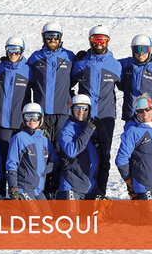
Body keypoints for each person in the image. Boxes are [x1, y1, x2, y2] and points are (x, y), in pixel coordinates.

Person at [71, 25, 122, 197]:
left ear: (107, 41)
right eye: (95, 39)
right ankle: (84, 191)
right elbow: (65, 84)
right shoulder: (80, 64)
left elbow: (128, 87)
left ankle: (100, 193)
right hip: (84, 117)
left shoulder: (115, 65)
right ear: (90, 40)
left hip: (106, 117)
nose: (99, 43)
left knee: (104, 156)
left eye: (102, 40)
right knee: (84, 154)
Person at [0, 37, 33, 194]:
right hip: (3, 122)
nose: (13, 53)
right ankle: (2, 192)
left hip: (21, 123)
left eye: (16, 50)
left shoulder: (28, 70)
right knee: (3, 159)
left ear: (22, 51)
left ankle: (19, 191)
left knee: (19, 160)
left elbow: (41, 88)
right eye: (10, 49)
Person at [27, 22, 75, 146]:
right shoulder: (35, 58)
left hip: (63, 111)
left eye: (55, 36)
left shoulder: (69, 57)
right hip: (42, 112)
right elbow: (29, 80)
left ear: (60, 37)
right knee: (43, 147)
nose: (52, 40)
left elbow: (76, 77)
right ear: (43, 37)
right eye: (49, 37)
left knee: (61, 146)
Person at [6, 103, 59, 200]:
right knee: (35, 215)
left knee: (49, 215)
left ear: (41, 119)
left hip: (38, 190)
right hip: (23, 189)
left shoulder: (44, 140)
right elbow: (11, 164)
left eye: (35, 117)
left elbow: (55, 160)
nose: (31, 121)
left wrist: (44, 170)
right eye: (28, 117)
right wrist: (13, 187)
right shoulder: (19, 138)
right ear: (23, 119)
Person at [115, 94, 152, 200]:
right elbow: (121, 160)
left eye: (147, 109)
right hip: (143, 185)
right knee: (150, 217)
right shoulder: (132, 131)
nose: (145, 113)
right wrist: (129, 181)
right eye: (140, 111)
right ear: (136, 112)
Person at [119, 34, 152, 131]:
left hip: (148, 116)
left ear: (149, 50)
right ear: (132, 50)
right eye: (137, 50)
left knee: (149, 145)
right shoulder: (126, 64)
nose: (141, 53)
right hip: (131, 115)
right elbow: (108, 64)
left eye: (144, 50)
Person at [57, 94, 101, 200]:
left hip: (88, 187)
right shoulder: (67, 129)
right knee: (70, 217)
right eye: (77, 108)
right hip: (71, 186)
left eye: (85, 108)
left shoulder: (89, 127)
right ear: (71, 110)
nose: (81, 111)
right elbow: (72, 151)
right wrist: (89, 130)